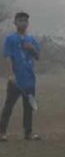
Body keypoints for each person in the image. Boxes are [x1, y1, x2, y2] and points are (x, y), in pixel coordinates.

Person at [0, 12, 41, 142]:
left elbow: (38, 56)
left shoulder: (31, 39)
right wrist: (11, 74)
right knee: (9, 106)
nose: (23, 23)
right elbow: (7, 57)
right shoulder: (10, 39)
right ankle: (2, 133)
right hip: (16, 80)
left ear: (28, 23)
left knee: (28, 108)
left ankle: (28, 133)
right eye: (20, 20)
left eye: (25, 21)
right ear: (15, 23)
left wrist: (31, 48)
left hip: (29, 80)